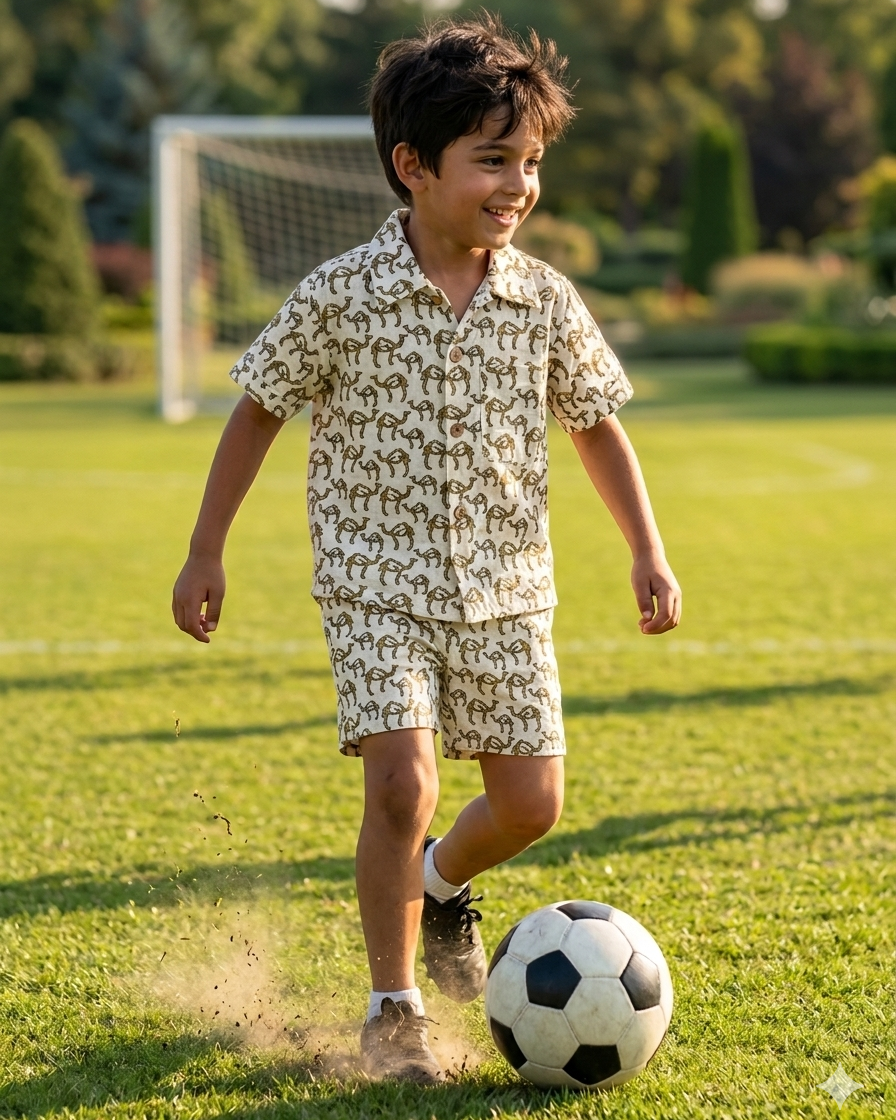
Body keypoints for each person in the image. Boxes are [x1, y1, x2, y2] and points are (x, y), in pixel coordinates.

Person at [172, 14, 681, 1085]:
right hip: (375, 582)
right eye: (491, 160)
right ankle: (393, 1009)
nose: (517, 185)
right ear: (413, 166)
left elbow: (594, 423)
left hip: (508, 588)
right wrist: (205, 550)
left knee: (532, 803)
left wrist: (647, 549)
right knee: (401, 785)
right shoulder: (340, 293)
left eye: (529, 162)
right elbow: (258, 409)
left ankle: (442, 886)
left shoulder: (542, 298)